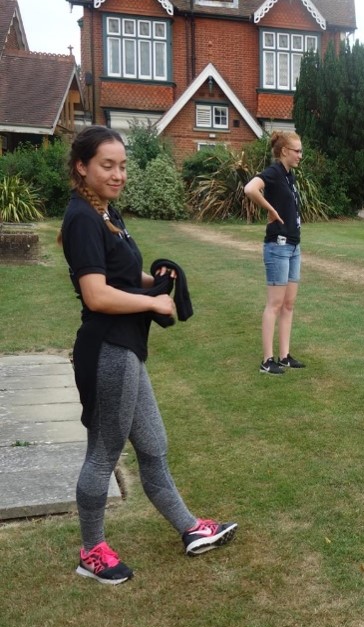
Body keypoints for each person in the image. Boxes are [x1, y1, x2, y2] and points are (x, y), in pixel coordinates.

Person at [60, 126, 236, 584]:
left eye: (122, 166)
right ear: (82, 166)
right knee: (103, 454)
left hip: (127, 348)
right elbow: (96, 294)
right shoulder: (82, 217)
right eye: (107, 165)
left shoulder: (106, 211)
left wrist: (153, 281)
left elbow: (118, 274)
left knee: (154, 445)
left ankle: (190, 528)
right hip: (108, 350)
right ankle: (91, 552)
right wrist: (154, 303)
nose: (118, 174)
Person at [243, 130, 306, 375]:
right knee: (275, 304)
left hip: (293, 246)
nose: (300, 155)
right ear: (284, 151)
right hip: (277, 246)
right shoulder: (274, 172)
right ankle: (267, 360)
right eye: (297, 151)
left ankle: (284, 356)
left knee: (288, 304)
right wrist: (270, 210)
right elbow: (250, 189)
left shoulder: (289, 176)